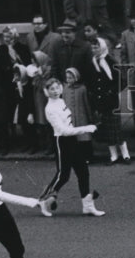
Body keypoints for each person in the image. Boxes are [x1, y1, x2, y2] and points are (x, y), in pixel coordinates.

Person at [38, 79, 103, 216]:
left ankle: (87, 205)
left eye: (57, 88)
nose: (55, 91)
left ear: (61, 88)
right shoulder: (50, 109)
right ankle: (43, 201)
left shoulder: (61, 101)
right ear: (46, 92)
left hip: (72, 140)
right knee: (63, 175)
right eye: (51, 89)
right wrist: (86, 128)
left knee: (83, 171)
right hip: (61, 142)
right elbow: (64, 131)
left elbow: (69, 126)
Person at [86, 36, 130, 164]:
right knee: (107, 130)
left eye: (97, 47)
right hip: (100, 102)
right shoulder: (92, 63)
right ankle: (113, 155)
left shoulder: (110, 61)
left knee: (116, 129)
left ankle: (125, 154)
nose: (94, 50)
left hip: (111, 101)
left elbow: (121, 81)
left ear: (102, 47)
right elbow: (92, 82)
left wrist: (111, 91)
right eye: (92, 47)